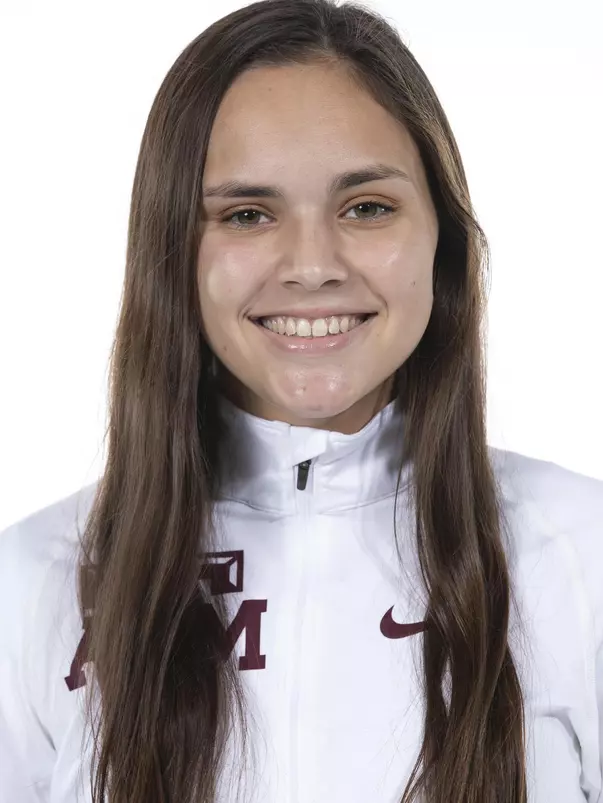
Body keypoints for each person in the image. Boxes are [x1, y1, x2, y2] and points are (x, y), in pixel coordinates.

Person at [1, 0, 601, 801]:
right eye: (248, 214)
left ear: (442, 242)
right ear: (172, 250)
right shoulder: (35, 581)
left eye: (366, 207)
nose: (312, 264)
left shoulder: (578, 550)